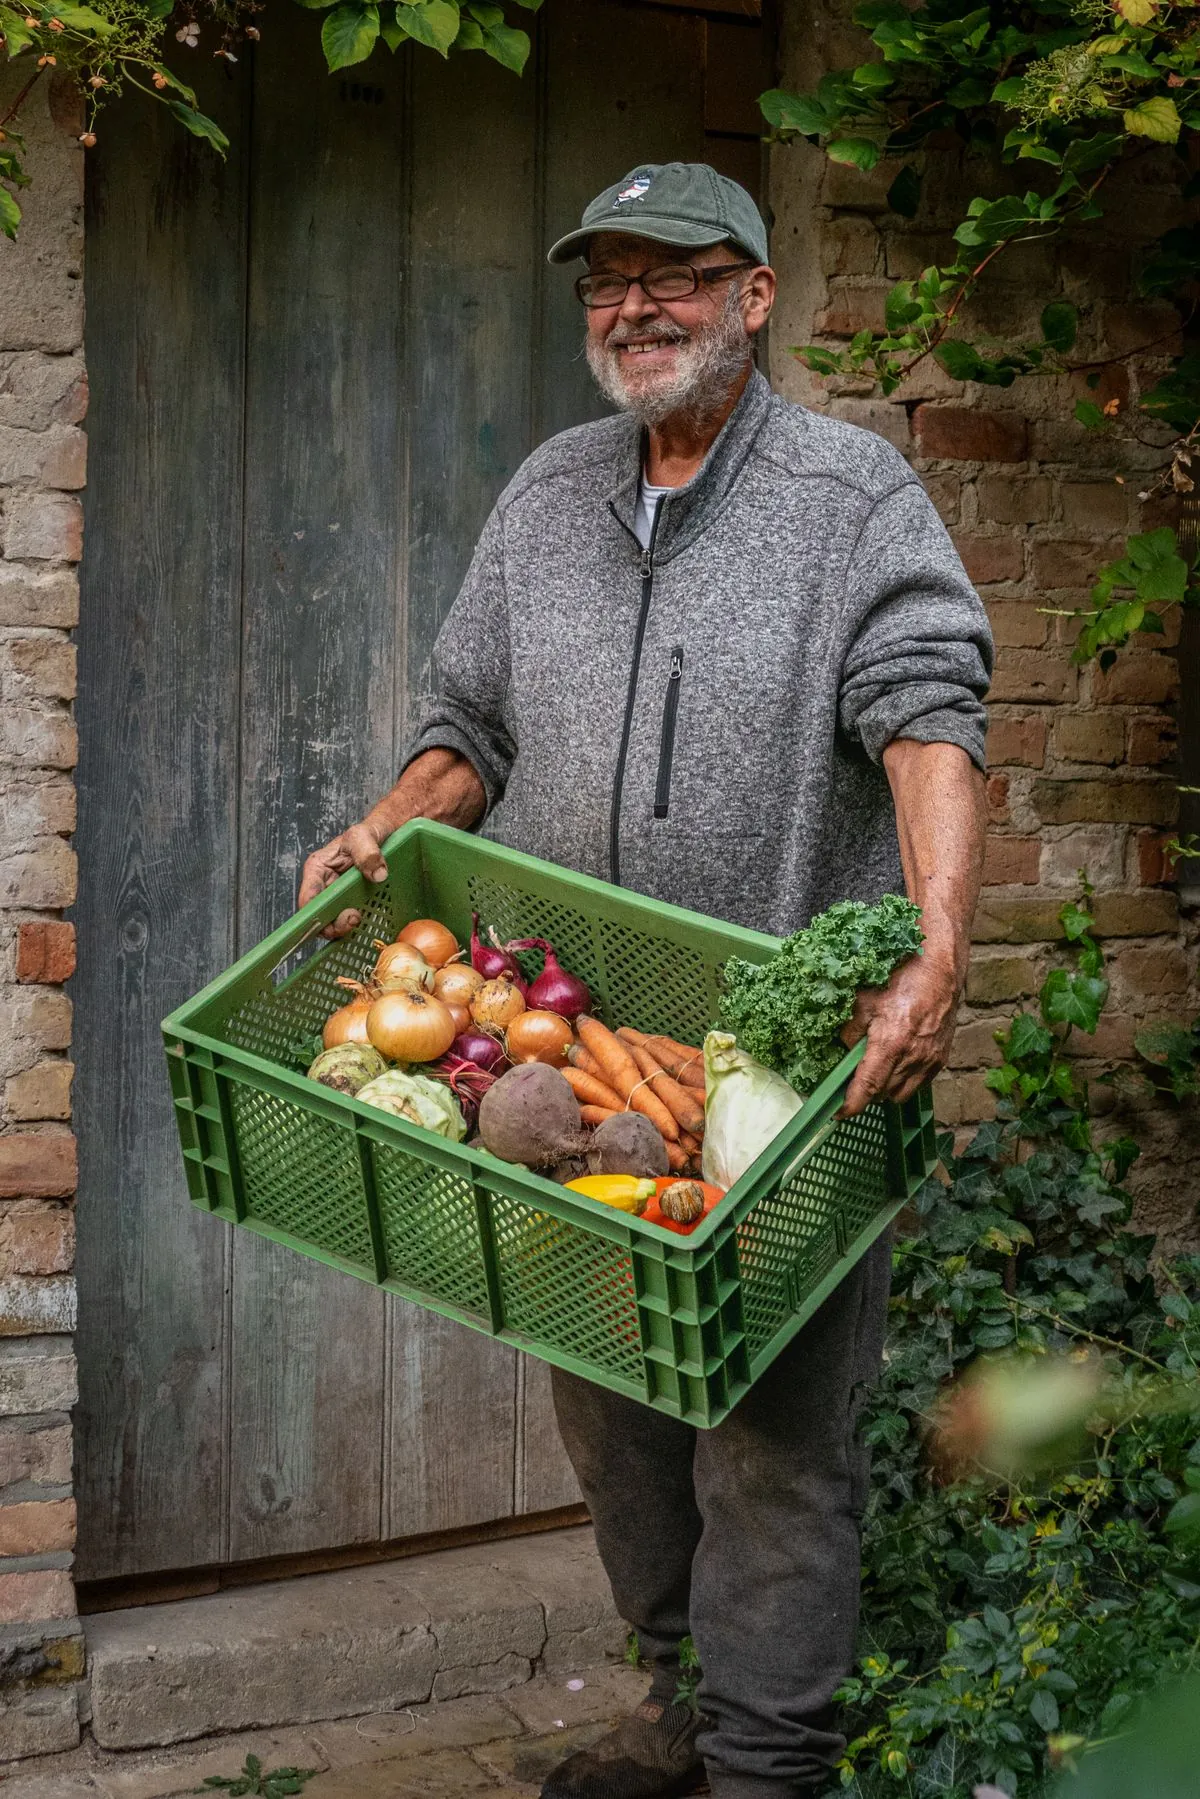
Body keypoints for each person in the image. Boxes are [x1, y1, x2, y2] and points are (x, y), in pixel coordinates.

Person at [299, 163, 993, 1799]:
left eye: (678, 271)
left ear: (756, 295)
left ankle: (764, 1765)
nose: (637, 305)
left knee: (774, 1441)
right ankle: (684, 1705)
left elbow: (930, 712)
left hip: (771, 1079)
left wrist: (943, 941)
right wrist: (384, 826)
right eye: (608, 277)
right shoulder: (550, 494)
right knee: (614, 1413)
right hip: (578, 1060)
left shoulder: (853, 500)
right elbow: (471, 722)